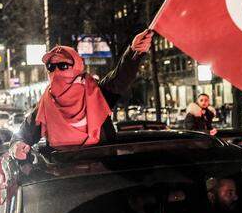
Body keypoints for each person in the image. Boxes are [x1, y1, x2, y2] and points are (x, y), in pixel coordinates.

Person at [10, 29, 153, 159]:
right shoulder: (45, 105)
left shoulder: (97, 95)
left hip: (103, 175)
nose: (56, 71)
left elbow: (120, 77)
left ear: (77, 66)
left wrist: (135, 51)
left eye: (63, 66)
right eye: (51, 67)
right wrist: (17, 146)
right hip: (64, 180)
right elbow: (22, 134)